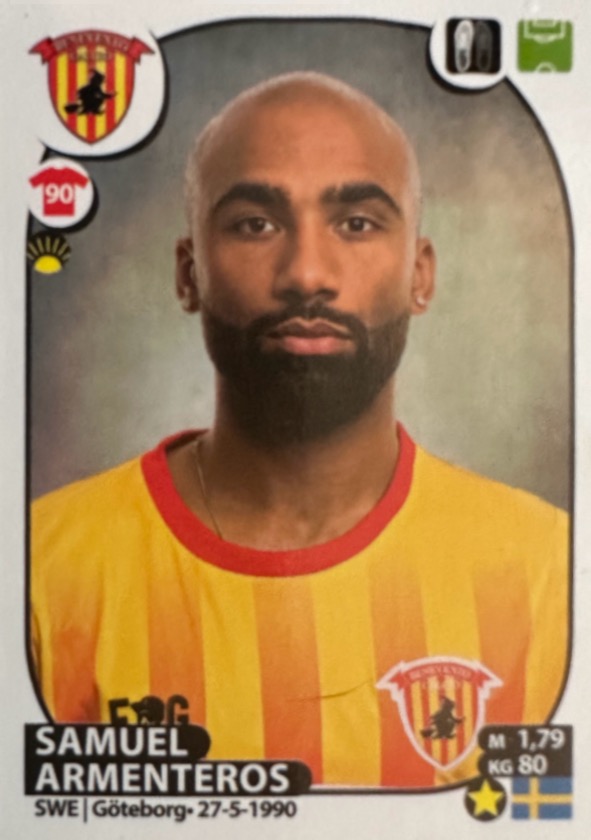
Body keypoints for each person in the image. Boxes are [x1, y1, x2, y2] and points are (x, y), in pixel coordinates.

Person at [31, 72, 568, 789]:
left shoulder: (548, 573)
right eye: (256, 224)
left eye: (357, 223)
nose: (307, 274)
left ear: (420, 274)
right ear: (188, 275)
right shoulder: (42, 569)